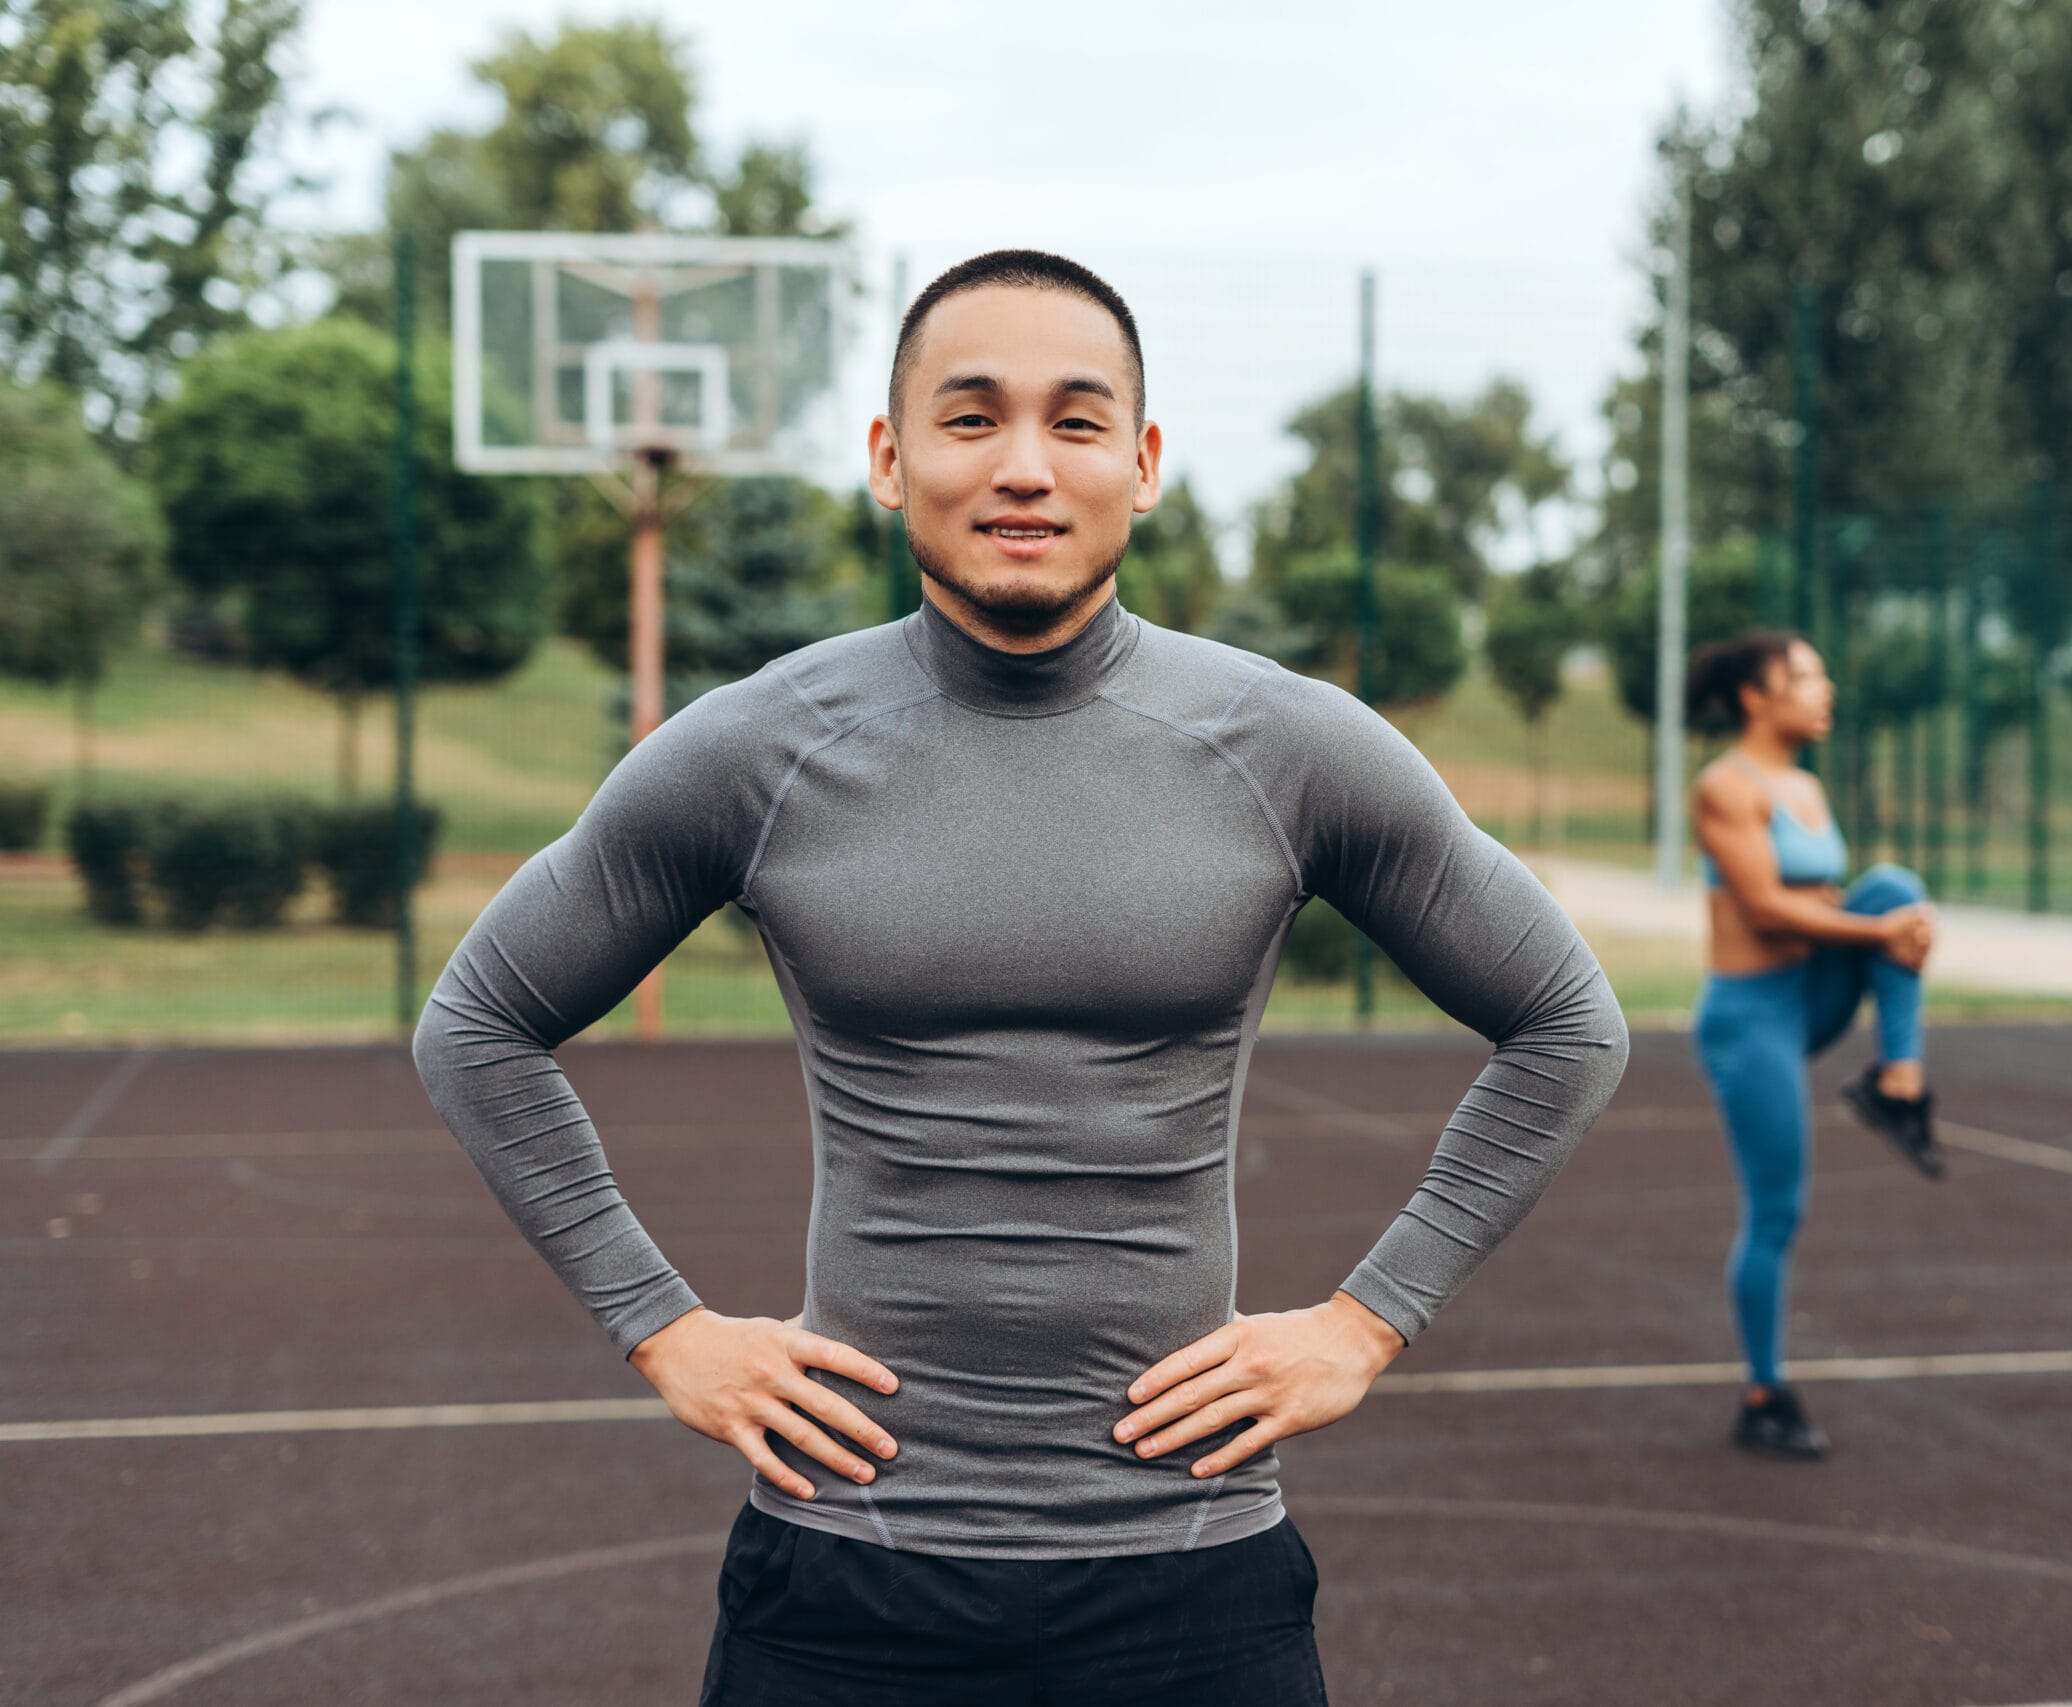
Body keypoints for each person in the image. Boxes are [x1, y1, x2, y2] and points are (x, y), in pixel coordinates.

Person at [411, 249, 1628, 1705]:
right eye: (972, 416)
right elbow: (478, 1021)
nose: (1026, 469)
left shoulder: (1287, 745)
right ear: (889, 455)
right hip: (846, 1575)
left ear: (1145, 460)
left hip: (1190, 1575)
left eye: (1077, 419)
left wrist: (1367, 1318)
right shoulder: (761, 746)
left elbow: (1568, 1019)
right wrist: (662, 1325)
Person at [1686, 630, 1943, 1462]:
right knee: (1777, 1208)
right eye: (1805, 675)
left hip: (1811, 994)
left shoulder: (1803, 783)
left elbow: (1821, 892)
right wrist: (1877, 931)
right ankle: (1764, 1394)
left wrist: (1881, 922)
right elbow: (1763, 906)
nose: (1824, 687)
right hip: (1749, 1014)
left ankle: (1898, 1082)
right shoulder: (1725, 786)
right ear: (1756, 696)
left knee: (1898, 886)